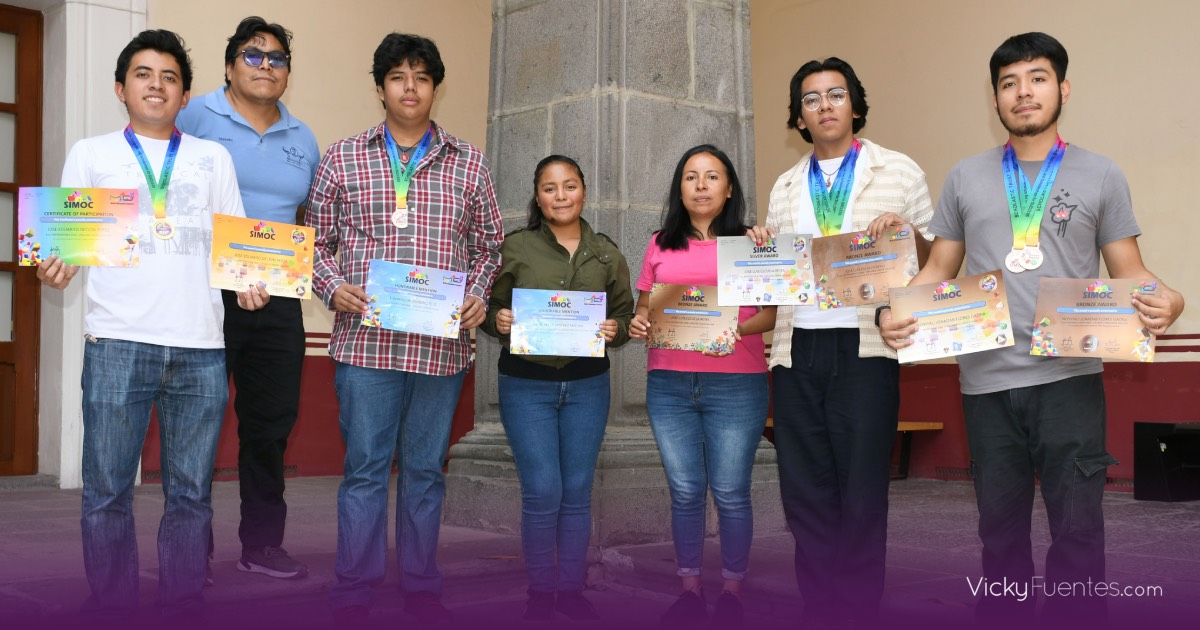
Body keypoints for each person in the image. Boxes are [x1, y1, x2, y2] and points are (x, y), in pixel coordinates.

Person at [879, 32, 1184, 626]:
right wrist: (894, 311)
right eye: (1009, 83)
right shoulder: (965, 178)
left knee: (1077, 530)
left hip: (1069, 378)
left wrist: (1169, 298)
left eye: (1037, 78)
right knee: (999, 533)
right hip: (985, 383)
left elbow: (1132, 272)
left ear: (1062, 88)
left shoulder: (1101, 174)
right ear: (994, 98)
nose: (1024, 93)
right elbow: (941, 268)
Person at [35, 29, 268, 618]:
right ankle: (111, 602)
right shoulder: (91, 154)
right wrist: (55, 266)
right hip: (116, 342)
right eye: (143, 74)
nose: (156, 85)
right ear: (121, 88)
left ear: (185, 94)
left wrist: (252, 284)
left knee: (190, 494)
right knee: (106, 489)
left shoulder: (212, 158)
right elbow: (65, 244)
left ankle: (183, 600)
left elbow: (237, 242)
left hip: (200, 350)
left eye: (169, 76)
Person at [306, 32, 503, 624]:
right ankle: (355, 583)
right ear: (380, 87)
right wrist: (331, 286)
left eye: (421, 77)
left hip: (440, 351)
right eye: (398, 77)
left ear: (435, 88)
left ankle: (420, 579)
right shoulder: (343, 157)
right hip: (366, 344)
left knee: (424, 470)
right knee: (365, 468)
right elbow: (315, 242)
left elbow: (490, 247)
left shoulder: (469, 162)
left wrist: (476, 293)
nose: (409, 87)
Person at [746, 57, 933, 626]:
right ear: (799, 118)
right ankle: (819, 604)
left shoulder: (899, 171)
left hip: (866, 349)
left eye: (835, 94)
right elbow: (778, 275)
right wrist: (759, 247)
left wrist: (904, 234)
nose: (824, 106)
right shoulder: (784, 186)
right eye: (810, 99)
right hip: (796, 347)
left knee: (861, 485)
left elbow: (934, 262)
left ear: (854, 104)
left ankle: (856, 609)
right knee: (805, 487)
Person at [176, 15, 319, 582]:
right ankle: (190, 548)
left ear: (288, 72)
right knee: (199, 420)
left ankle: (262, 544)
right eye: (253, 56)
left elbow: (304, 217)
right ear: (230, 66)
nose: (266, 66)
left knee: (270, 423)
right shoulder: (194, 117)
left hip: (278, 297)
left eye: (277, 58)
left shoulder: (303, 136)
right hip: (206, 292)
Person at [480, 154, 635, 622]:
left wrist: (617, 329)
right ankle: (539, 591)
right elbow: (486, 306)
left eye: (569, 186)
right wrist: (497, 319)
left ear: (583, 191)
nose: (561, 195)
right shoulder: (515, 248)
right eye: (550, 188)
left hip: (588, 386)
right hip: (526, 385)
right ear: (537, 196)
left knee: (577, 489)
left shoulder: (607, 253)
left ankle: (569, 590)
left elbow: (627, 313)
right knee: (543, 490)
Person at [628, 145, 775, 626]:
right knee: (686, 490)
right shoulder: (658, 244)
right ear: (680, 188)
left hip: (737, 383)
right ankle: (689, 587)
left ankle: (732, 588)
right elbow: (645, 309)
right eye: (691, 176)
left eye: (713, 176)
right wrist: (639, 323)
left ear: (729, 187)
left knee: (731, 491)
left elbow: (770, 316)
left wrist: (728, 328)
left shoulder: (753, 243)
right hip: (669, 382)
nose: (701, 185)